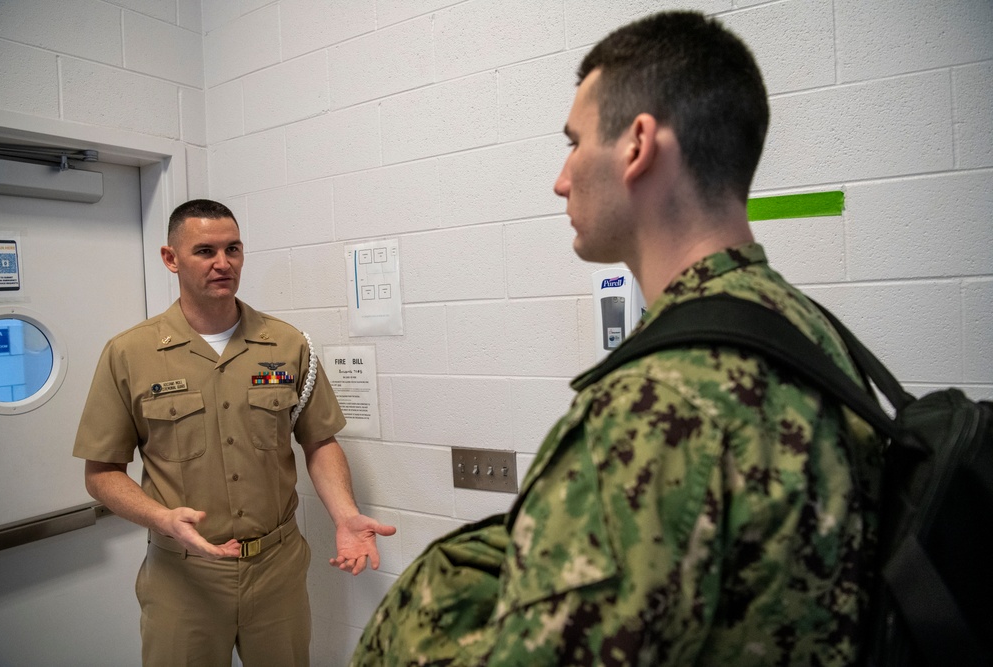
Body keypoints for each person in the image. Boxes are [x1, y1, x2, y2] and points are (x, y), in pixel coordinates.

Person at [352, 10, 881, 666]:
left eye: (574, 142)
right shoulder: (807, 331)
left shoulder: (660, 401)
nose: (561, 177)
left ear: (637, 145)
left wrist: (419, 607)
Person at [73, 198, 396, 666]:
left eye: (234, 249)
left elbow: (320, 441)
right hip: (183, 578)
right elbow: (101, 473)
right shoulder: (129, 353)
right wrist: (162, 519)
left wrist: (345, 515)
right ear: (171, 258)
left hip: (276, 570)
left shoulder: (287, 345)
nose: (223, 264)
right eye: (205, 251)